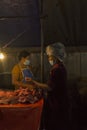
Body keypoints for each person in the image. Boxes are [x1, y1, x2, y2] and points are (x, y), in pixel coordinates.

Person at [32, 42, 69, 130]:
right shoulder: (60, 67)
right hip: (60, 100)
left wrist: (35, 83)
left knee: (55, 124)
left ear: (55, 56)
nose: (49, 58)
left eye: (50, 56)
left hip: (57, 102)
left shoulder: (57, 69)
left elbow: (49, 87)